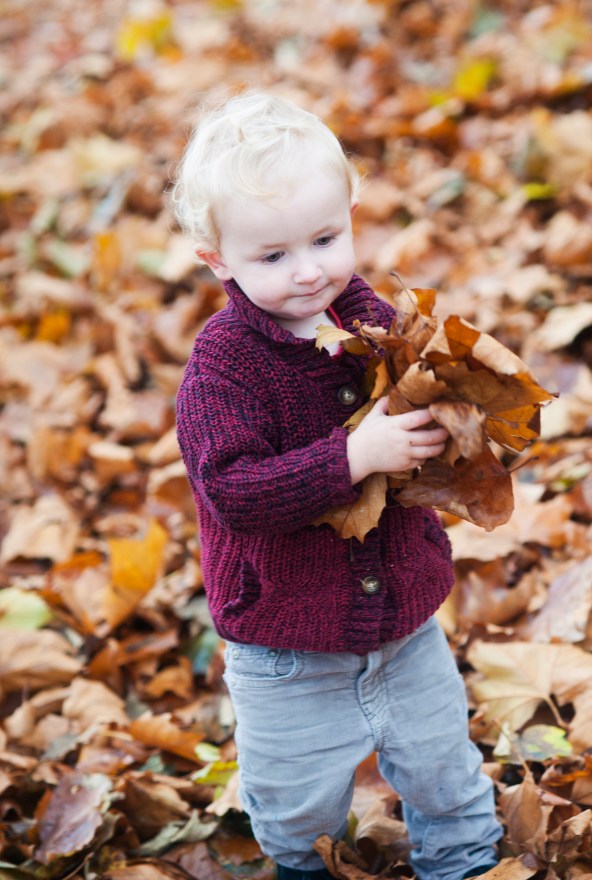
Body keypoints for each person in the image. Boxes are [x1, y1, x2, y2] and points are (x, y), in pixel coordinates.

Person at [172, 91, 502, 880]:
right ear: (218, 261)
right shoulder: (222, 369)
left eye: (326, 238)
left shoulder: (372, 320)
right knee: (295, 808)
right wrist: (354, 455)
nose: (310, 269)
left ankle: (462, 864)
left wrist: (447, 430)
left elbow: (418, 415)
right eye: (273, 256)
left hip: (405, 622)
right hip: (284, 641)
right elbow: (236, 493)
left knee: (445, 777)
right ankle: (305, 868)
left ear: (351, 212)